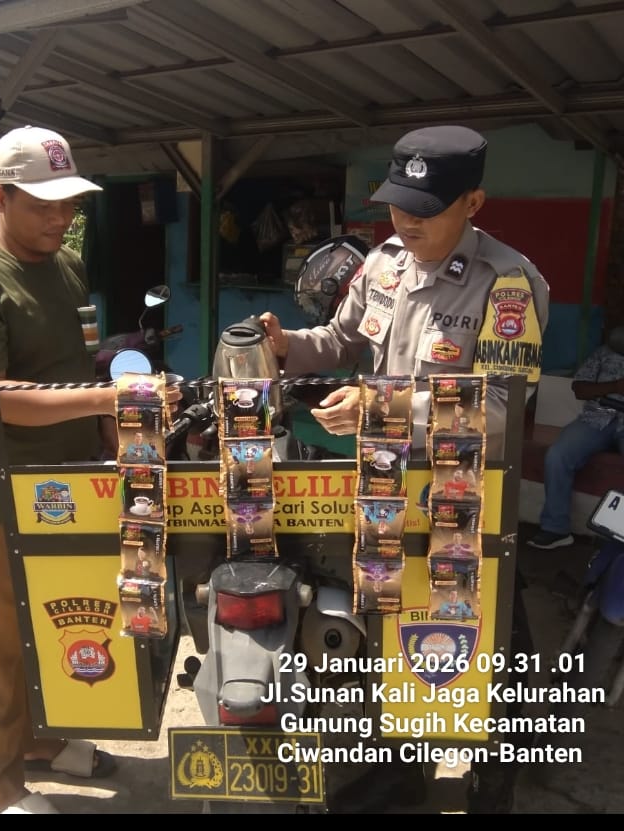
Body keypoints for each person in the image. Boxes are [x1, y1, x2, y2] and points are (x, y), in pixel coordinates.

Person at [260, 125, 550, 814]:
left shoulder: (509, 283)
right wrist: (286, 344)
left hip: (465, 500)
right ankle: (391, 783)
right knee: (384, 638)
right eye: (398, 203)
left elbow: (500, 407)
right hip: (386, 490)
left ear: (473, 203)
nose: (406, 220)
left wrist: (381, 405)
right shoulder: (383, 262)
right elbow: (339, 340)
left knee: (486, 651)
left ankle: (493, 786)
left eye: (425, 207)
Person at [0, 125, 181, 815]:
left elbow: (80, 362)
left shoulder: (65, 265)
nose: (60, 217)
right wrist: (107, 400)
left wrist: (113, 435)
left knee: (51, 621)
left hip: (64, 485)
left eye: (68, 203)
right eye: (42, 204)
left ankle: (40, 742)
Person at [528, 326, 624, 549]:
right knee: (557, 455)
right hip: (596, 418)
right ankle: (556, 529)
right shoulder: (605, 352)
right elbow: (579, 388)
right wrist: (616, 386)